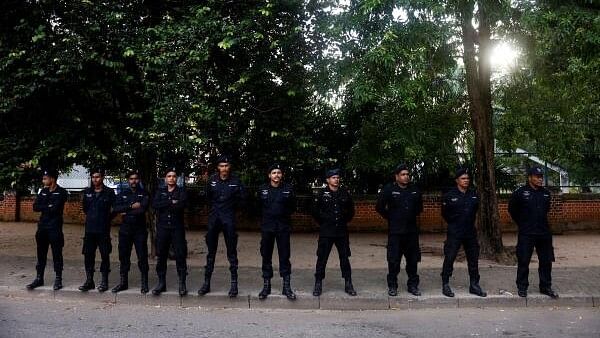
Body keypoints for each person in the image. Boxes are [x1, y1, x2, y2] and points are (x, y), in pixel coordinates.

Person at [198, 155, 246, 297]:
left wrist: (231, 212)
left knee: (232, 253)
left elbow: (242, 200)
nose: (224, 168)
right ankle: (206, 283)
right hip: (214, 220)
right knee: (210, 253)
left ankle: (234, 285)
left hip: (229, 220)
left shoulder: (236, 181)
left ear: (229, 167)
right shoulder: (212, 180)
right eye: (221, 166)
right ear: (218, 167)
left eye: (226, 165)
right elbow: (207, 198)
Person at [509, 166, 558, 299]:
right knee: (524, 260)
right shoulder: (520, 192)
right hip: (527, 233)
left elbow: (546, 210)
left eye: (541, 176)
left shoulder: (546, 193)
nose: (540, 179)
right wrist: (523, 223)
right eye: (537, 176)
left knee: (546, 261)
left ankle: (545, 286)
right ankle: (522, 287)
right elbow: (512, 210)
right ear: (529, 177)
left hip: (544, 233)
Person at [376, 164, 423, 296]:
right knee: (393, 260)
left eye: (407, 174)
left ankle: (413, 285)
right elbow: (379, 207)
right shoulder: (389, 189)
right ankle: (392, 286)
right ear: (396, 176)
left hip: (411, 232)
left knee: (413, 261)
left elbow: (419, 208)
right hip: (395, 232)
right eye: (403, 174)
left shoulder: (414, 190)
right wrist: (391, 218)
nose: (406, 177)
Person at [440, 167, 486, 298]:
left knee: (473, 259)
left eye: (467, 178)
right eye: (463, 178)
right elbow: (445, 214)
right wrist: (454, 223)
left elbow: (475, 210)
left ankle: (474, 284)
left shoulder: (473, 195)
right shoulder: (449, 195)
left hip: (470, 231)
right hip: (455, 231)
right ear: (457, 180)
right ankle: (445, 283)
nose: (466, 181)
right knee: (450, 257)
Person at [311, 168, 357, 296]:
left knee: (344, 259)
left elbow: (351, 211)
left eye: (337, 177)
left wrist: (343, 221)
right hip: (326, 232)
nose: (336, 179)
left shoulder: (344, 193)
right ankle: (318, 283)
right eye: (333, 177)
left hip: (341, 232)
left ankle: (348, 283)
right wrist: (325, 222)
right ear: (328, 180)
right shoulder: (321, 194)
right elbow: (315, 212)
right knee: (322, 258)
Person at [256, 164, 297, 300]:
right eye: (273, 172)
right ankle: (266, 286)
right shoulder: (262, 189)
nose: (276, 175)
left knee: (285, 256)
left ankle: (286, 287)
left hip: (283, 228)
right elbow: (255, 207)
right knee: (266, 256)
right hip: (267, 228)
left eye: (279, 172)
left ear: (282, 175)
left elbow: (292, 207)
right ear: (269, 175)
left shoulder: (288, 189)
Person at [27, 168, 68, 291]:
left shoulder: (62, 192)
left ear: (52, 179)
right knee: (41, 254)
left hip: (54, 227)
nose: (43, 180)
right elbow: (35, 207)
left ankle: (58, 279)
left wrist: (44, 206)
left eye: (45, 178)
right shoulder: (43, 191)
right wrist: (47, 206)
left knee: (57, 254)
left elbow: (55, 208)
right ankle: (39, 278)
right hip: (42, 227)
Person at [111, 170, 150, 294]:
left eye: (136, 179)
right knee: (124, 256)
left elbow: (142, 209)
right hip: (125, 229)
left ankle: (144, 283)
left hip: (140, 229)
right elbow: (116, 209)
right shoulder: (122, 193)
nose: (134, 181)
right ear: (128, 180)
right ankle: (123, 282)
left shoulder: (144, 193)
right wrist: (131, 207)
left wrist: (126, 210)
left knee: (142, 256)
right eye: (131, 179)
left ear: (139, 180)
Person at [151, 167, 188, 296]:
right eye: (169, 176)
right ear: (165, 179)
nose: (171, 178)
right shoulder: (160, 191)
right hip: (162, 228)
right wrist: (170, 201)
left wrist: (166, 203)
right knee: (161, 255)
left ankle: (182, 284)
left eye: (174, 176)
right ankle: (161, 283)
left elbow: (181, 206)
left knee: (180, 255)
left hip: (177, 228)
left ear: (176, 178)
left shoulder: (181, 191)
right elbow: (155, 205)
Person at [79, 168, 115, 292]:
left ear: (103, 177)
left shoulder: (109, 192)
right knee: (88, 255)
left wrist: (106, 218)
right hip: (90, 230)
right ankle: (89, 280)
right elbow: (85, 209)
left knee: (105, 255)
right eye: (93, 177)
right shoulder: (87, 192)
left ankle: (104, 281)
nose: (95, 179)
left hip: (103, 229)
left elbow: (114, 209)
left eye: (98, 177)